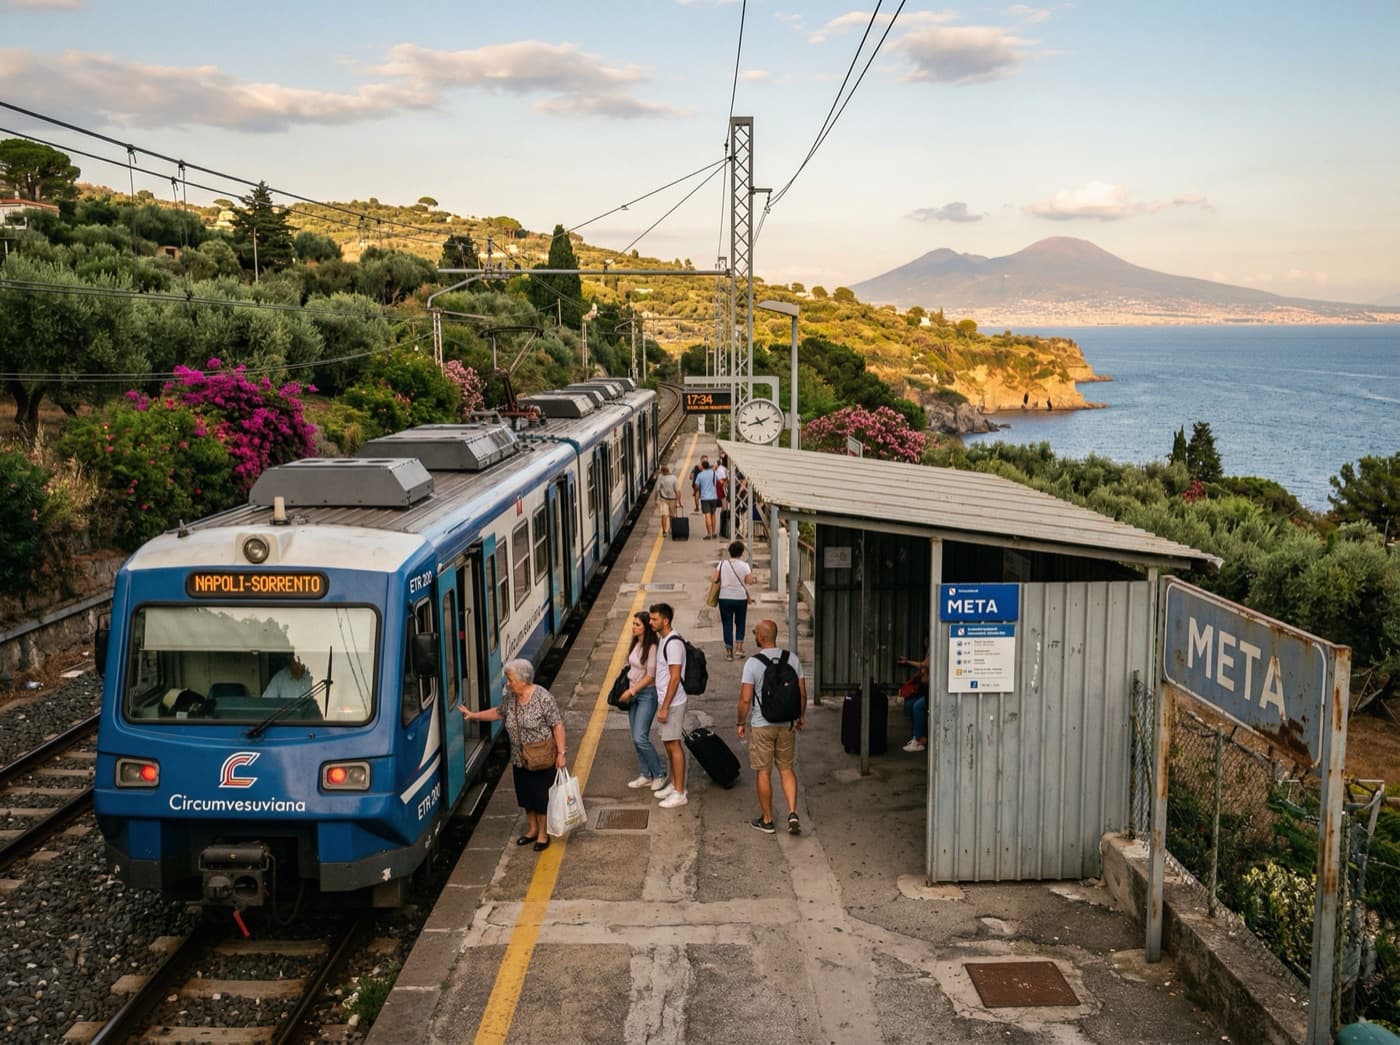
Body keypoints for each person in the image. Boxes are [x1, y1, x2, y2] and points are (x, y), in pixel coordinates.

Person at [460, 659, 566, 851]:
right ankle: (532, 829)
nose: (507, 684)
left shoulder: (543, 697)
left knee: (541, 797)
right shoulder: (511, 698)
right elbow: (498, 713)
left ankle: (543, 834)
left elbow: (557, 725)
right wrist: (474, 715)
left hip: (541, 757)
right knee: (526, 796)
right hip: (519, 758)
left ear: (523, 679)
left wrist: (561, 753)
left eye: (510, 680)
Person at [736, 619, 807, 835]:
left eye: (755, 632)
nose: (754, 634)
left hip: (762, 725)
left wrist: (740, 722)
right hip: (787, 723)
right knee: (786, 769)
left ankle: (767, 820)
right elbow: (802, 693)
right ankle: (792, 812)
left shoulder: (753, 663)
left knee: (763, 772)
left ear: (761, 636)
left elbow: (745, 699)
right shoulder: (792, 659)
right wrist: (800, 717)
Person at [619, 611, 668, 792]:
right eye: (633, 624)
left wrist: (632, 690)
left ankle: (659, 773)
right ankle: (645, 774)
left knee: (640, 737)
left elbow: (650, 676)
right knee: (635, 737)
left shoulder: (652, 647)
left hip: (647, 694)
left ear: (646, 627)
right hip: (633, 695)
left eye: (637, 624)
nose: (633, 627)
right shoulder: (635, 643)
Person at [647, 602, 689, 809]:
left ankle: (680, 792)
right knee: (668, 744)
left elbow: (674, 678)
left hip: (673, 702)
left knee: (674, 745)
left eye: (654, 619)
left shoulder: (672, 643)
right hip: (667, 700)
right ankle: (674, 784)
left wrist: (664, 707)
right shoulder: (664, 640)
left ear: (665, 620)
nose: (650, 622)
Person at [714, 540, 753, 661]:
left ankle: (728, 652)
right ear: (741, 553)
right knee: (740, 622)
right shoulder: (745, 566)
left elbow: (714, 578)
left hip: (724, 597)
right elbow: (749, 581)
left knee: (727, 624)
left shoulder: (721, 564)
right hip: (740, 598)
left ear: (729, 552)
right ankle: (739, 649)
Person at [897, 648, 930, 753]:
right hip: (927, 689)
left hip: (936, 692)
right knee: (911, 704)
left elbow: (924, 664)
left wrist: (908, 662)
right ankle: (916, 736)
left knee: (917, 706)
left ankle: (920, 739)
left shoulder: (938, 647)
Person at [694, 458, 720, 539]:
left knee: (707, 515)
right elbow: (718, 481)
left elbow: (697, 486)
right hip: (714, 497)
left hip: (705, 498)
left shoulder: (700, 475)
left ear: (703, 467)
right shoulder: (714, 473)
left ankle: (709, 534)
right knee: (713, 514)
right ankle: (714, 532)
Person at [656, 464, 680, 537]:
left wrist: (655, 500)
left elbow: (657, 490)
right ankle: (672, 529)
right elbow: (677, 491)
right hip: (673, 499)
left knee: (664, 515)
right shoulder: (674, 478)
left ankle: (664, 531)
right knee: (672, 516)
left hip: (663, 499)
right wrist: (678, 501)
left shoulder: (661, 479)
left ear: (663, 472)